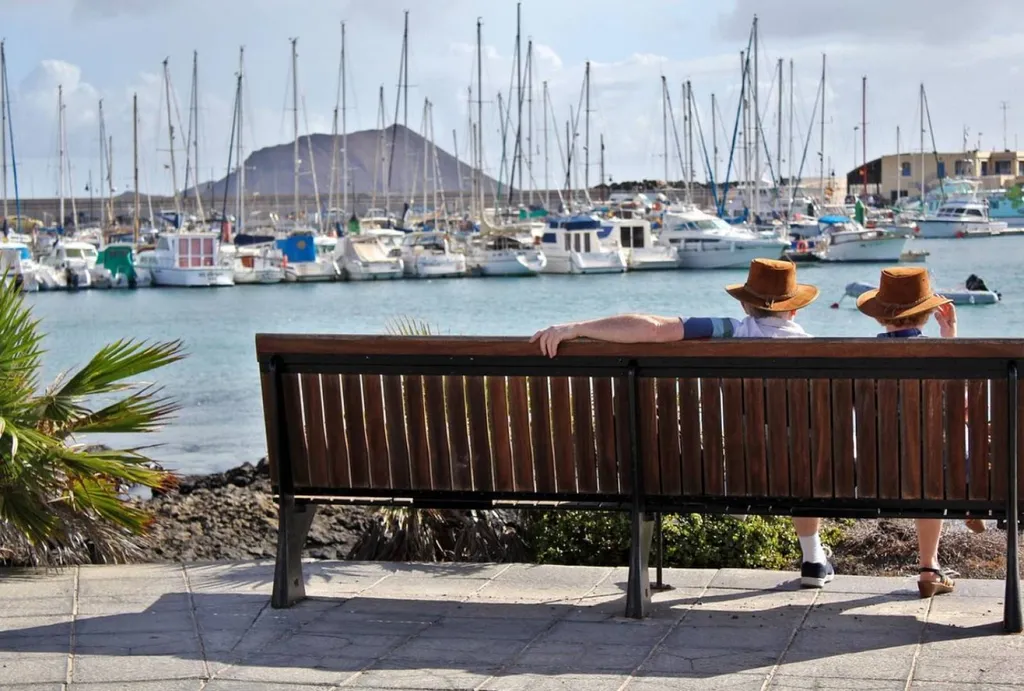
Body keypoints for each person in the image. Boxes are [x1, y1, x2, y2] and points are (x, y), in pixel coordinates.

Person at [531, 258, 835, 589]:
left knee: (764, 446)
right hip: (805, 474)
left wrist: (575, 328)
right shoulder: (817, 350)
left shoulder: (729, 331)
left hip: (733, 470)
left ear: (745, 305)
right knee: (800, 450)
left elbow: (652, 328)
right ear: (794, 310)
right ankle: (813, 559)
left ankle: (742, 491)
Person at [856, 266, 981, 598]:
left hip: (876, 467)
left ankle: (933, 563)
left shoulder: (861, 356)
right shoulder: (938, 355)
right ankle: (967, 499)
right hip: (936, 469)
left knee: (922, 454)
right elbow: (962, 406)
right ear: (927, 313)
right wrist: (950, 337)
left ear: (880, 316)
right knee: (938, 456)